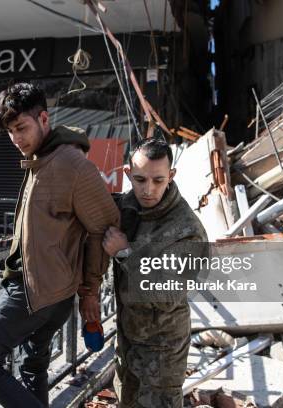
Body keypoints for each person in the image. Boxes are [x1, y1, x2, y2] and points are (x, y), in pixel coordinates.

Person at [0, 82, 119, 407]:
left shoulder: (70, 164)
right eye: (10, 131)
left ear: (45, 119)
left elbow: (104, 228)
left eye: (22, 127)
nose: (16, 138)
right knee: (32, 364)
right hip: (47, 290)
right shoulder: (42, 157)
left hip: (36, 292)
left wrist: (90, 292)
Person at [101, 138, 207, 408]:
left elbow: (167, 293)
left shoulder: (187, 229)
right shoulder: (128, 206)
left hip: (162, 351)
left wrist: (125, 254)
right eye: (139, 179)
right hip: (128, 340)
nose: (148, 190)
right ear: (128, 174)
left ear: (171, 176)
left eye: (158, 181)